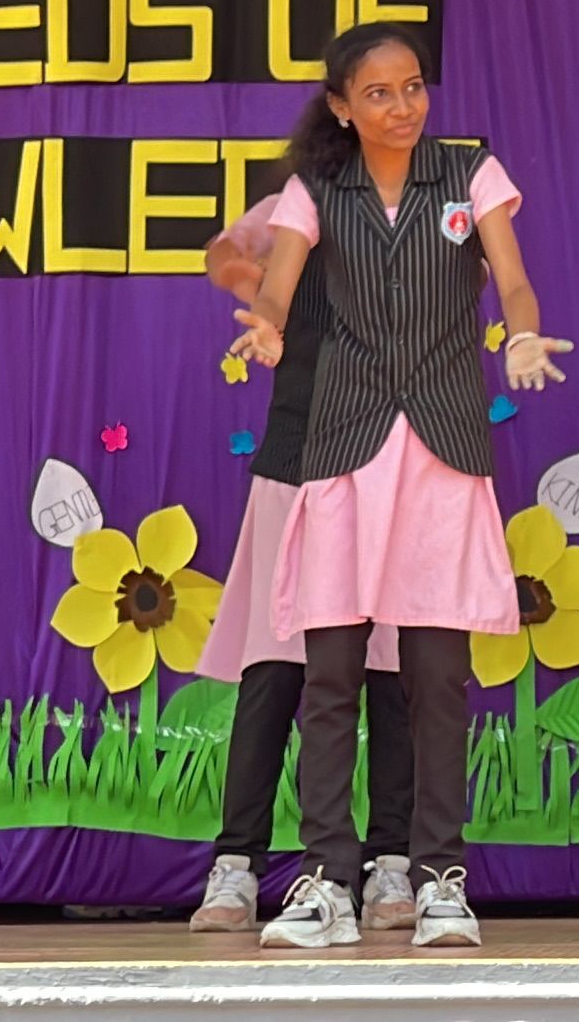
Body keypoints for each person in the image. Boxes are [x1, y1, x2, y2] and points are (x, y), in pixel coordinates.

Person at [224, 22, 572, 950]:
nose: (402, 106)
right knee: (331, 674)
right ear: (342, 106)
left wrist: (523, 335)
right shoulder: (317, 190)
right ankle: (327, 884)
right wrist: (267, 325)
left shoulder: (470, 175)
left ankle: (440, 879)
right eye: (378, 93)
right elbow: (279, 285)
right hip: (344, 447)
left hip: (442, 451)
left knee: (437, 677)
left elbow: (513, 282)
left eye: (413, 86)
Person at [183, 221, 413, 935]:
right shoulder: (300, 203)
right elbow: (224, 253)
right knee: (274, 665)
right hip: (295, 460)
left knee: (391, 666)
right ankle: (237, 865)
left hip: (389, 467)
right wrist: (263, 287)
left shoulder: (426, 195)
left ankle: (391, 862)